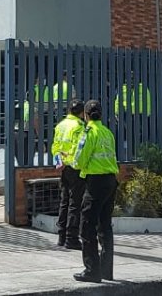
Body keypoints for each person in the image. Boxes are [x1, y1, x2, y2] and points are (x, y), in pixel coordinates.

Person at [73, 99, 118, 283]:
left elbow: (79, 160)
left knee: (87, 226)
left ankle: (92, 270)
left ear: (85, 115)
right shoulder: (107, 133)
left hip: (96, 183)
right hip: (110, 181)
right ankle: (106, 270)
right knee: (105, 226)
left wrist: (74, 164)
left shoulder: (88, 133)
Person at [51, 98, 86, 250]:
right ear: (82, 112)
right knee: (75, 203)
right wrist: (72, 161)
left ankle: (61, 236)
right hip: (74, 167)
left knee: (64, 201)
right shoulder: (79, 126)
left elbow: (55, 147)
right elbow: (78, 148)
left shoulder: (60, 125)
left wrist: (60, 161)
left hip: (63, 167)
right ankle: (72, 238)